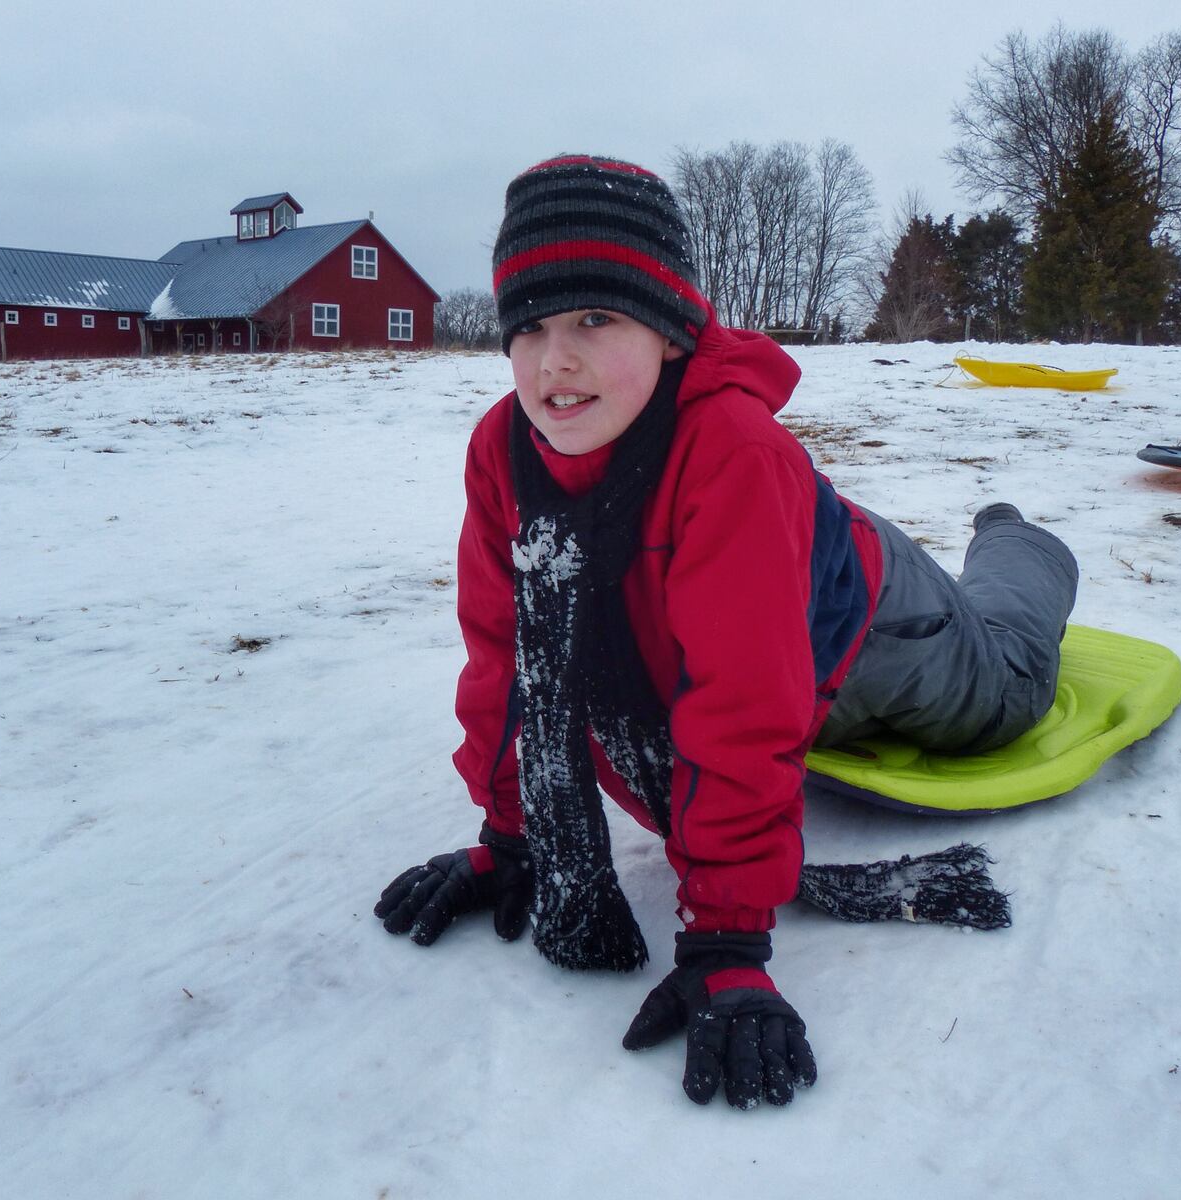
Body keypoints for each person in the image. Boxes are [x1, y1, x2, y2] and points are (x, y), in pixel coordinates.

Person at [374, 154, 1079, 1111]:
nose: (555, 361)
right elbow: (506, 656)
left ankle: (1016, 542)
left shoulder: (733, 452)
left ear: (668, 333)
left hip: (875, 630)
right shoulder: (504, 452)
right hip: (756, 590)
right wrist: (515, 830)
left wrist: (727, 939)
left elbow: (745, 704)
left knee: (1009, 683)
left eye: (595, 319)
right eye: (529, 326)